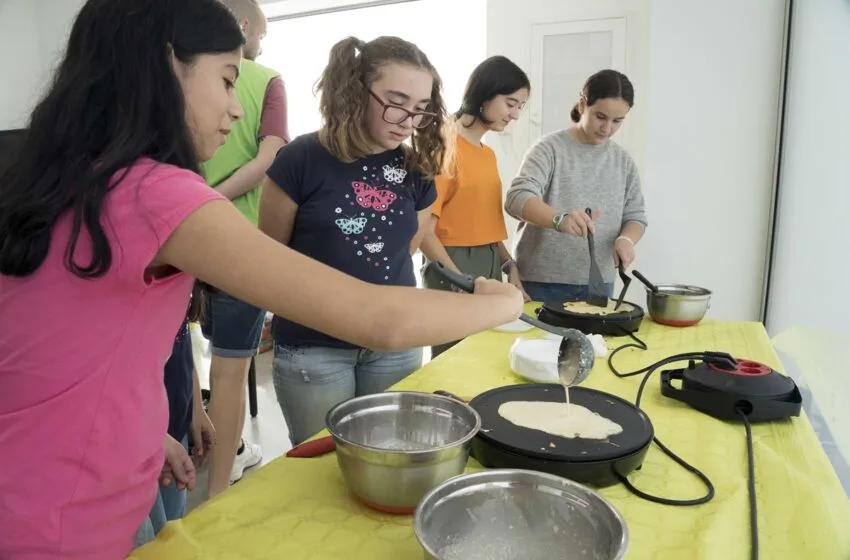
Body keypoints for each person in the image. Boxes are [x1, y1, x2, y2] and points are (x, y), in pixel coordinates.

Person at [0, 1, 523, 558]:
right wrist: (506, 303)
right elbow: (378, 318)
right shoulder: (155, 193)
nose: (235, 108)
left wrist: (146, 430)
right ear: (165, 65)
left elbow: (68, 352)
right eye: (228, 80)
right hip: (58, 520)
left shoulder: (68, 179)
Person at [258, 36, 448, 445]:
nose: (408, 121)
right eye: (396, 102)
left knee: (388, 453)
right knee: (320, 462)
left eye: (420, 109)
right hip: (314, 345)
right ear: (356, 90)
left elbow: (407, 247)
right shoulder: (300, 158)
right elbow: (269, 258)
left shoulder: (415, 168)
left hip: (395, 341)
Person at [199, 0, 288, 498]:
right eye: (262, 35)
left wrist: (194, 202)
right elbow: (271, 157)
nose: (233, 107)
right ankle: (221, 482)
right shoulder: (268, 80)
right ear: (245, 25)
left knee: (192, 361)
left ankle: (220, 450)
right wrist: (210, 201)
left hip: (183, 243)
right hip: (239, 245)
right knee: (229, 369)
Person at [504, 69, 648, 303]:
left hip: (599, 284)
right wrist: (559, 219)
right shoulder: (548, 149)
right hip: (541, 282)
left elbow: (636, 217)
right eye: (600, 117)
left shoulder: (623, 161)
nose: (607, 128)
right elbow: (516, 198)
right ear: (582, 104)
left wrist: (626, 240)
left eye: (617, 121)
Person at [420, 56, 531, 358]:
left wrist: (509, 266)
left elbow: (483, 225)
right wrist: (460, 280)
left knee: (487, 357)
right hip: (452, 265)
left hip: (489, 263)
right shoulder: (444, 146)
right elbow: (425, 232)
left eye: (520, 106)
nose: (515, 115)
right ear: (485, 93)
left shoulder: (487, 153)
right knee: (454, 361)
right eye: (510, 103)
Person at [135, 284, 215, 547]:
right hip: (137, 438)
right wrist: (154, 434)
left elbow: (181, 339)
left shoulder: (175, 280)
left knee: (174, 529)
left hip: (174, 425)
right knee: (155, 543)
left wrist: (196, 406)